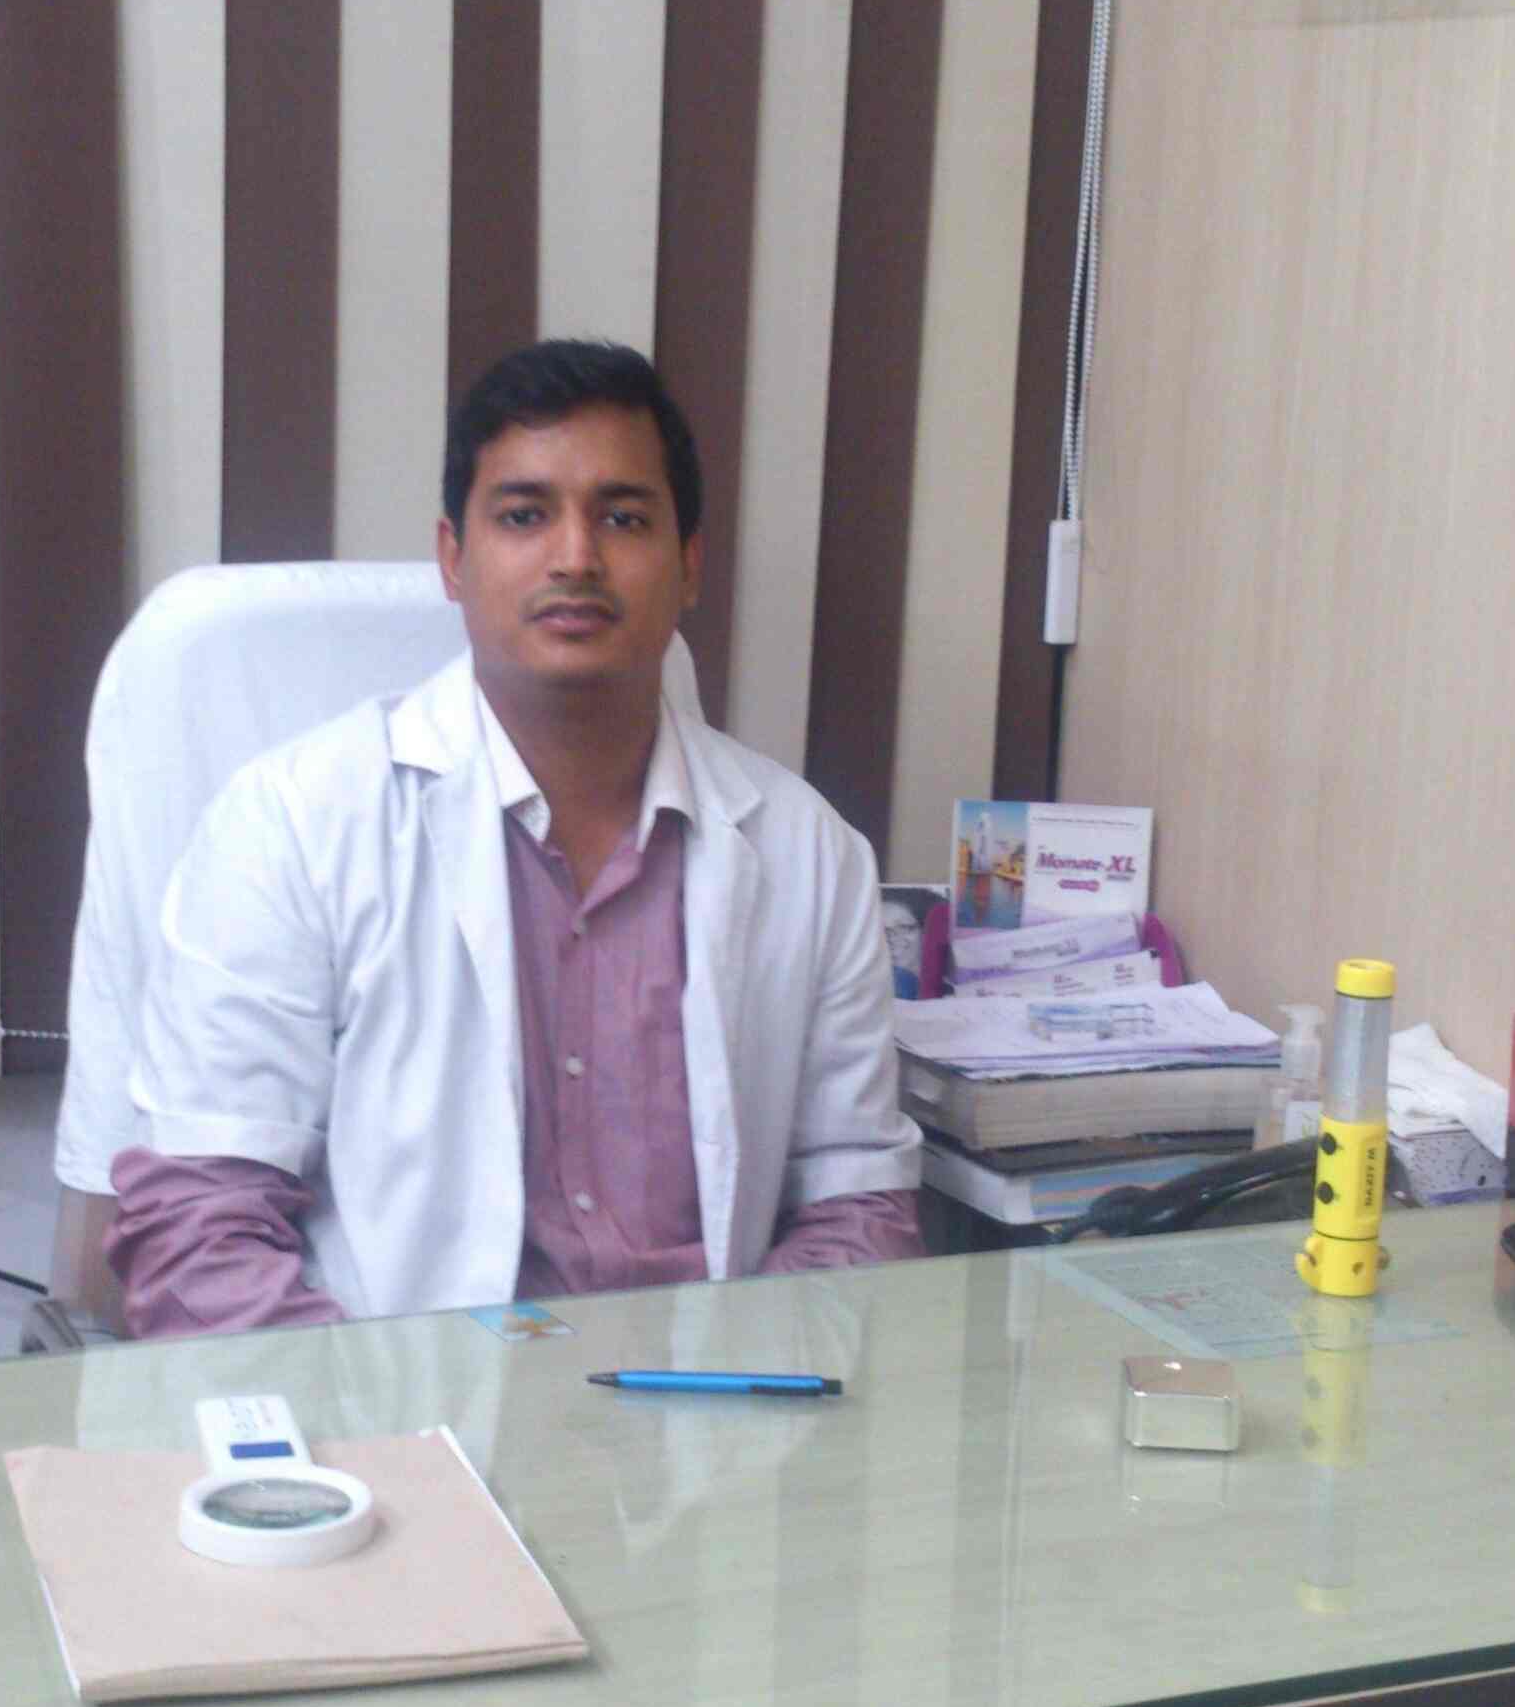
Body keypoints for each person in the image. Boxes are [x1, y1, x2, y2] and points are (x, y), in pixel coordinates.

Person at [108, 340, 922, 1336]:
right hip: (388, 1407)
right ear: (454, 559)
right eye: (525, 515)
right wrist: (368, 1423)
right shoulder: (291, 824)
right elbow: (198, 1230)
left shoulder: (811, 854)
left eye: (623, 517)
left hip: (713, 1408)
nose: (575, 557)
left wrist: (739, 1396)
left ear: (689, 565)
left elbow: (855, 1204)